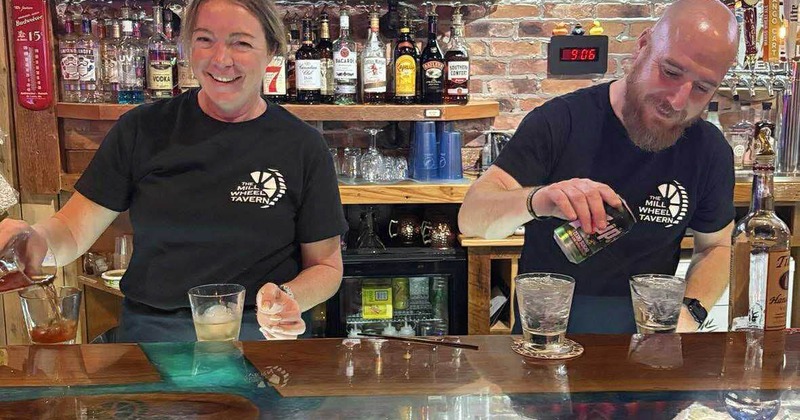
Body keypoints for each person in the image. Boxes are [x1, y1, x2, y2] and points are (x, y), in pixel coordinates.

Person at [0, 0, 347, 342]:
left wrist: (289, 298)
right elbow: (72, 232)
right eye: (205, 39)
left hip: (257, 333)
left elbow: (326, 267)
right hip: (153, 336)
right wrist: (35, 241)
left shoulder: (302, 145)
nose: (221, 59)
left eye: (241, 43)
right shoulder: (143, 129)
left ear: (271, 51)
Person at [458, 0, 738, 334]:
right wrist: (540, 199)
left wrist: (690, 311)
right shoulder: (560, 122)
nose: (677, 101)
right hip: (547, 340)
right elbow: (472, 219)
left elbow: (716, 246)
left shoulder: (709, 150)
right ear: (643, 46)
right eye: (670, 72)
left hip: (646, 345)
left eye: (702, 88)